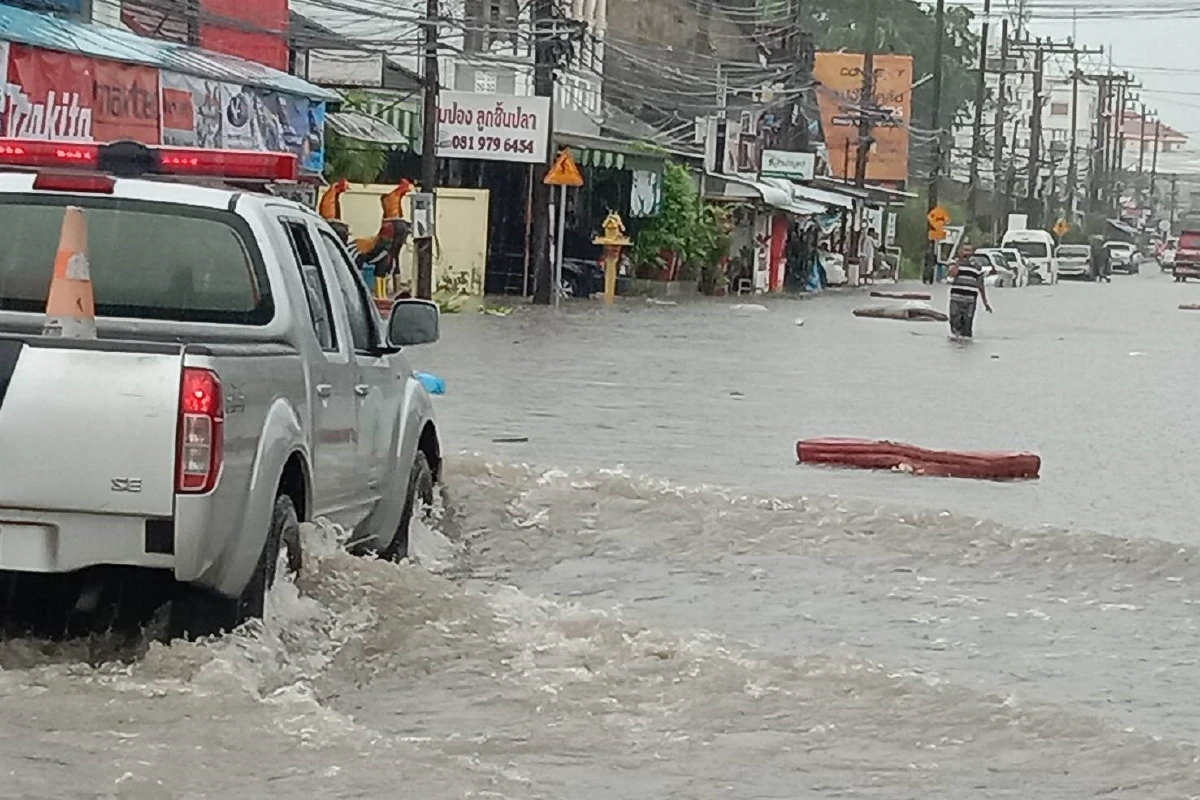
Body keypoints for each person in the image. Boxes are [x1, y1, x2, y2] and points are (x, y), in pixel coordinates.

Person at [947, 253, 993, 338]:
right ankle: (956, 342)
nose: (965, 255)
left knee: (967, 324)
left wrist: (985, 303)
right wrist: (958, 264)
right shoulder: (955, 265)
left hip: (970, 300)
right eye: (964, 251)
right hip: (956, 299)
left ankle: (965, 344)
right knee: (954, 321)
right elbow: (951, 274)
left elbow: (981, 286)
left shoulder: (976, 267)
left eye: (968, 251)